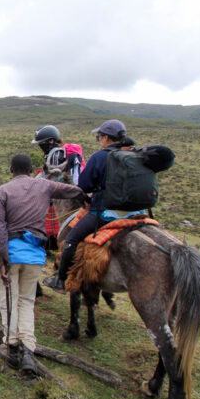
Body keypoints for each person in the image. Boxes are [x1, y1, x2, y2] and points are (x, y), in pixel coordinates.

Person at [0, 153, 87, 376]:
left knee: (8, 301)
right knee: (26, 301)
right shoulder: (43, 185)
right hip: (35, 255)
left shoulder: (2, 191)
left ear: (11, 170)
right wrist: (86, 195)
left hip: (12, 254)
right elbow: (71, 190)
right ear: (31, 168)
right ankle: (28, 351)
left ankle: (12, 345)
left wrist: (2, 258)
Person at [44, 119, 136, 293]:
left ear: (107, 138)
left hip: (106, 213)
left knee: (70, 240)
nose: (99, 140)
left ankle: (61, 280)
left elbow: (84, 186)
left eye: (99, 136)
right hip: (136, 213)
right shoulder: (134, 155)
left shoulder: (100, 157)